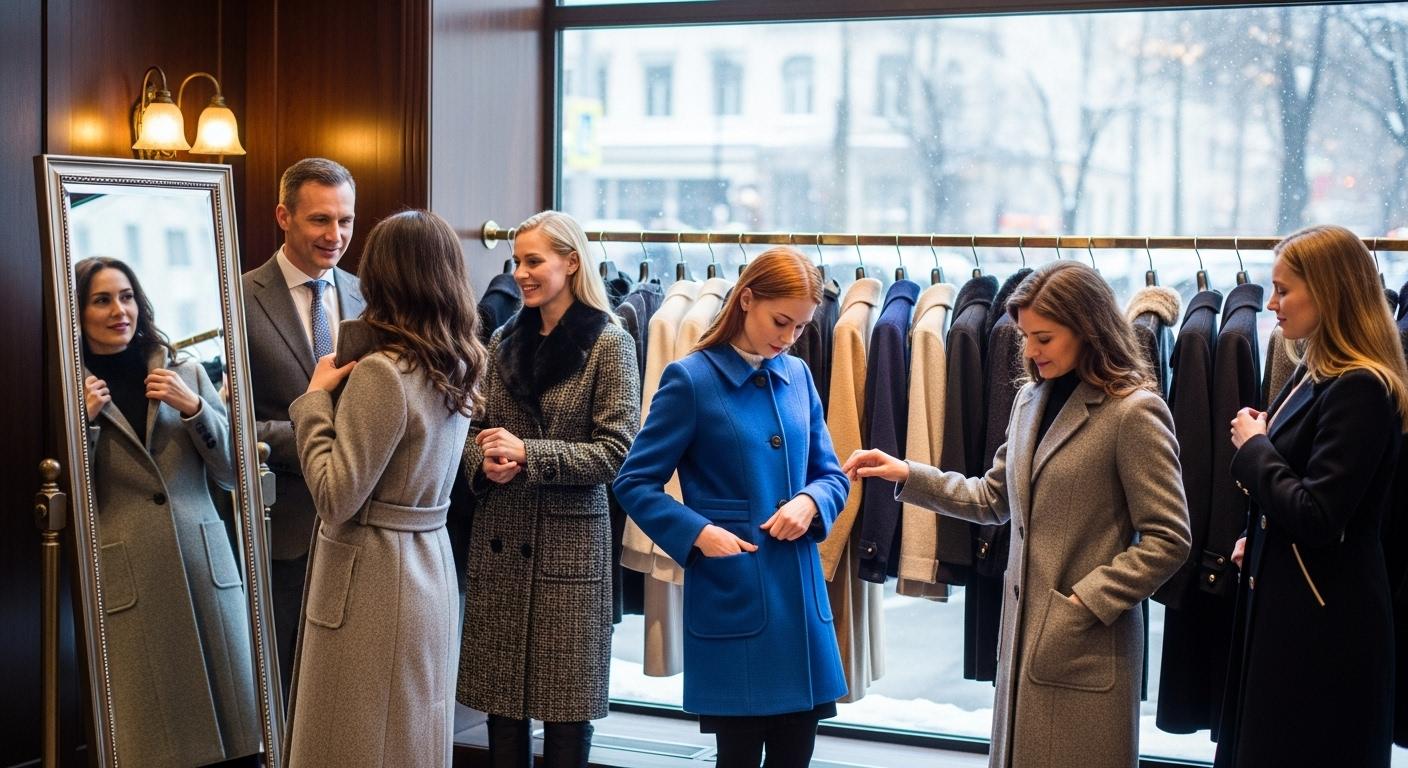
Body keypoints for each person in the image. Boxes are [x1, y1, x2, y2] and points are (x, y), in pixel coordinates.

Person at [843, 260, 1191, 768]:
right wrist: (906, 473)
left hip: (1085, 644)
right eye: (1027, 336)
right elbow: (992, 497)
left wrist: (1082, 604)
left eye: (1043, 338)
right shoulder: (1031, 397)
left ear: (1088, 330)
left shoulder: (1133, 412)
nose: (1029, 351)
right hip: (1024, 641)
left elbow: (1168, 539)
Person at [614, 246, 850, 768]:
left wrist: (812, 502)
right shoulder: (691, 380)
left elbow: (833, 475)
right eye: (780, 321)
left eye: (800, 328)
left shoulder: (799, 377)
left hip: (800, 607)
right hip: (734, 593)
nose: (787, 338)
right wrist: (699, 534)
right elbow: (634, 482)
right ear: (746, 299)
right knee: (738, 758)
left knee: (796, 755)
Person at [281, 210, 485, 767]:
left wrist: (314, 401)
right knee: (410, 733)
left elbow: (334, 495)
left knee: (355, 741)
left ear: (381, 276)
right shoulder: (458, 361)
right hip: (429, 565)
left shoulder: (382, 372)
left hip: (370, 572)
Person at [1216, 225, 1408, 768]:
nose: (1271, 303)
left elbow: (1321, 514)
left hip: (1327, 626)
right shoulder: (1316, 368)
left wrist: (1254, 448)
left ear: (1328, 291)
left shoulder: (1360, 385)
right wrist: (1259, 537)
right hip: (1296, 606)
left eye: (1283, 290)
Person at [457, 210, 639, 768]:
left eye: (534, 261)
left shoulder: (611, 343)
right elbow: (466, 429)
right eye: (517, 261)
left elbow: (615, 452)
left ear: (571, 262)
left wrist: (528, 455)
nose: (522, 273)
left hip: (569, 552)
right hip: (501, 541)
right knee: (501, 709)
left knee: (566, 713)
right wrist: (483, 462)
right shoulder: (503, 336)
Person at [78, 256, 259, 766]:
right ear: (79, 311)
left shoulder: (186, 371)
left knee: (238, 732)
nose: (120, 310)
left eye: (127, 296)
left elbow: (232, 471)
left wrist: (196, 409)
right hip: (132, 575)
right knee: (157, 739)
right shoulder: (70, 391)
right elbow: (74, 498)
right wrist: (85, 427)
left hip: (204, 567)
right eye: (103, 299)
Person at [241, 157, 364, 695]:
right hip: (282, 530)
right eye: (320, 220)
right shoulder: (236, 298)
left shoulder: (368, 296)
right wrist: (325, 443)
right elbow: (231, 426)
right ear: (283, 217)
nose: (334, 235)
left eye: (345, 221)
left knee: (344, 692)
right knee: (283, 690)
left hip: (362, 530)